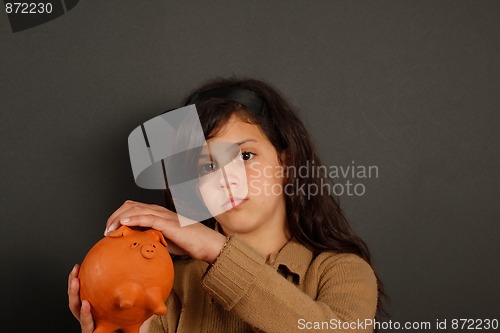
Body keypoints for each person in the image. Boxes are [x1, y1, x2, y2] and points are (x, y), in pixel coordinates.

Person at [68, 77, 385, 332]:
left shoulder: (342, 272)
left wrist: (215, 248)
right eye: (207, 167)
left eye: (245, 156)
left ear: (286, 164)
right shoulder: (168, 283)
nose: (227, 178)